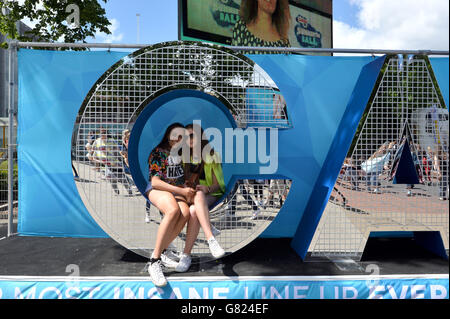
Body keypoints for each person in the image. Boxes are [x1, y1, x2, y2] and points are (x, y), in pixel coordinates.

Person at [146, 123, 193, 287]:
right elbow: (155, 181)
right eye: (176, 135)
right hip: (157, 189)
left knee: (185, 213)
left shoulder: (180, 155)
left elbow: (180, 180)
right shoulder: (158, 153)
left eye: (182, 137)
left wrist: (187, 187)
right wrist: (180, 191)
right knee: (173, 210)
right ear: (168, 135)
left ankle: (163, 251)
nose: (179, 139)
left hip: (175, 191)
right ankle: (154, 261)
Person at [175, 123, 226, 273]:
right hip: (191, 196)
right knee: (193, 209)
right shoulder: (184, 156)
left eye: (192, 135)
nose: (189, 139)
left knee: (196, 203)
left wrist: (207, 188)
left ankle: (194, 249)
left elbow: (219, 185)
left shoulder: (212, 155)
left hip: (210, 194)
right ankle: (206, 240)